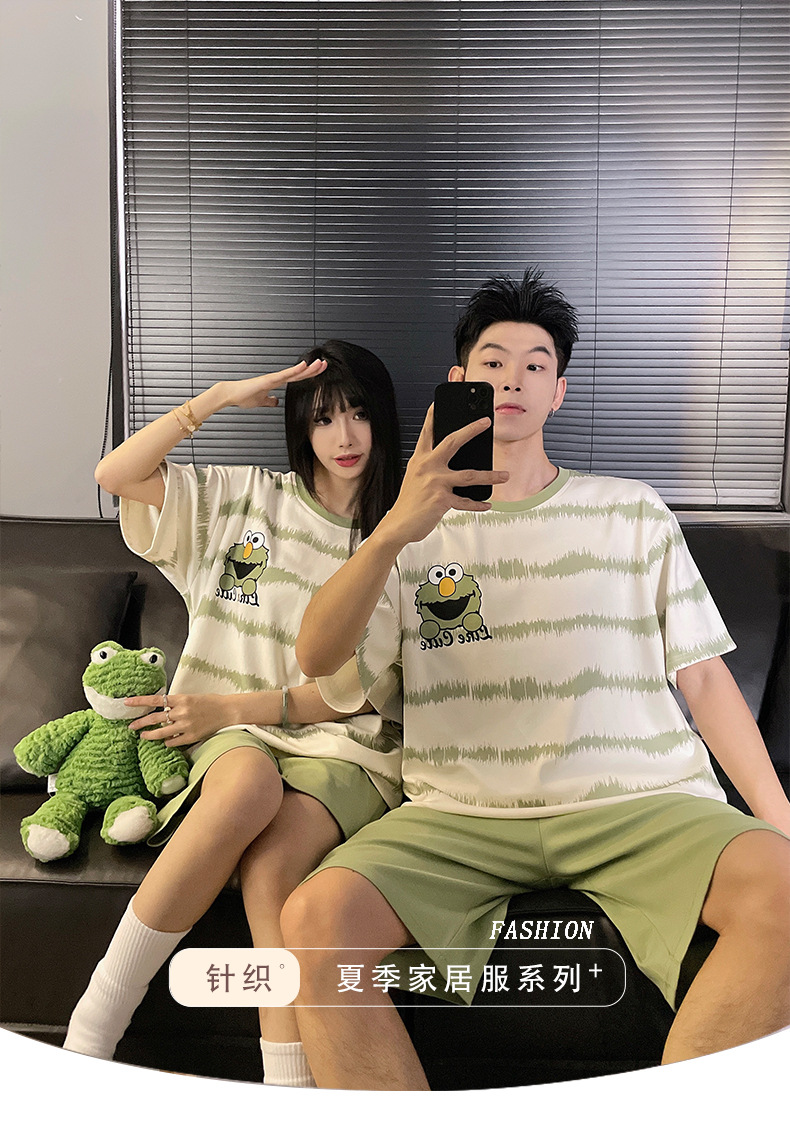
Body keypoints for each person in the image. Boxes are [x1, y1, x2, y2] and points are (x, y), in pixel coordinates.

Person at [283, 268, 790, 1090]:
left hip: (638, 802)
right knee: (315, 916)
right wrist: (393, 529)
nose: (512, 379)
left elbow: (703, 680)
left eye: (534, 365)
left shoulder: (632, 513)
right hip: (462, 812)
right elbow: (317, 660)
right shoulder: (409, 532)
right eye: (493, 362)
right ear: (460, 382)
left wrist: (778, 817)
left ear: (558, 393)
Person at [63, 340, 404, 1087]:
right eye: (322, 418)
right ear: (300, 428)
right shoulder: (245, 496)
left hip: (342, 747)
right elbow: (115, 473)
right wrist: (214, 398)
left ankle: (285, 1086)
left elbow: (357, 691)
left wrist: (227, 706)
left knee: (275, 868)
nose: (344, 436)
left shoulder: (397, 537)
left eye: (357, 413)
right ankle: (91, 1030)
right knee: (248, 785)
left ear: (382, 418)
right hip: (233, 737)